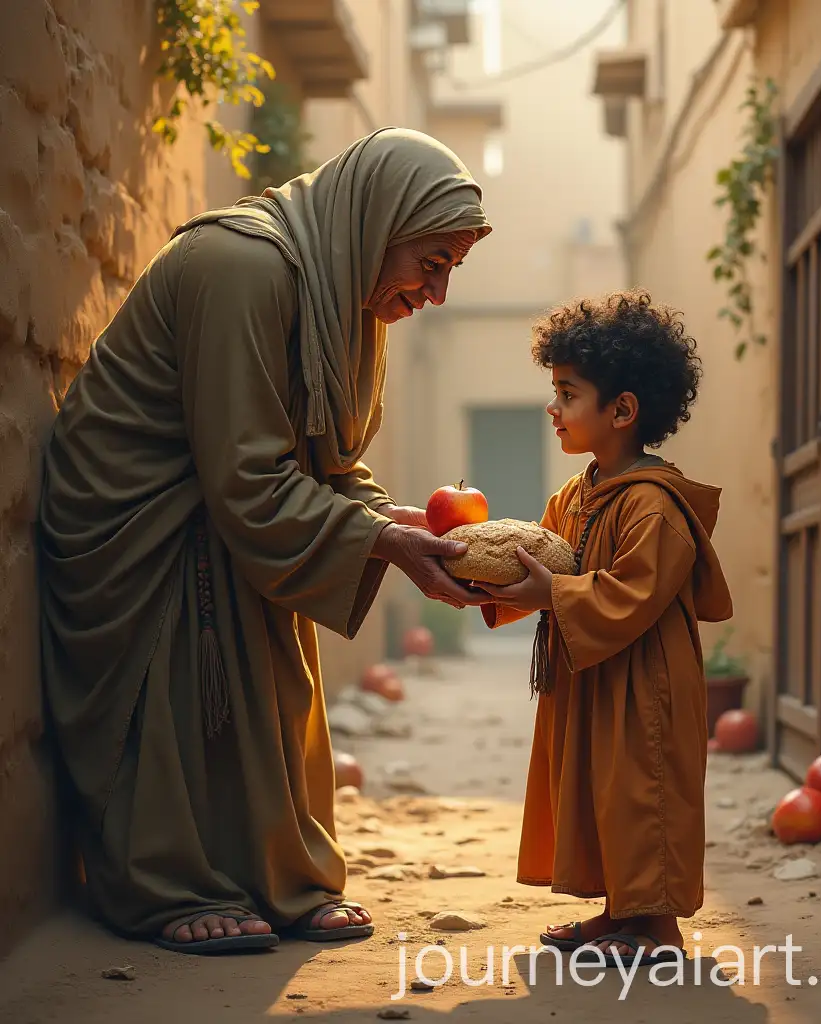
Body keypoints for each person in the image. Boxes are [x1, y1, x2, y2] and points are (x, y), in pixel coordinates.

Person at [38, 128, 493, 954]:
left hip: (228, 504)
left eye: (451, 269)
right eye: (430, 262)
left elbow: (320, 464)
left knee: (274, 665)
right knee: (190, 676)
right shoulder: (241, 266)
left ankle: (276, 874)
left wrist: (400, 531)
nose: (437, 292)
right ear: (373, 221)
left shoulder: (348, 299)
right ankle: (167, 882)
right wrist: (383, 541)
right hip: (138, 517)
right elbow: (246, 478)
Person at [477, 290, 734, 967]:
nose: (552, 407)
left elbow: (635, 593)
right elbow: (541, 561)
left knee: (643, 789)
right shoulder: (576, 495)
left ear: (622, 410)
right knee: (602, 793)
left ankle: (660, 930)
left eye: (567, 392)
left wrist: (552, 592)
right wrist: (475, 570)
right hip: (593, 674)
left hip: (643, 685)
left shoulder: (654, 504)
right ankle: (619, 914)